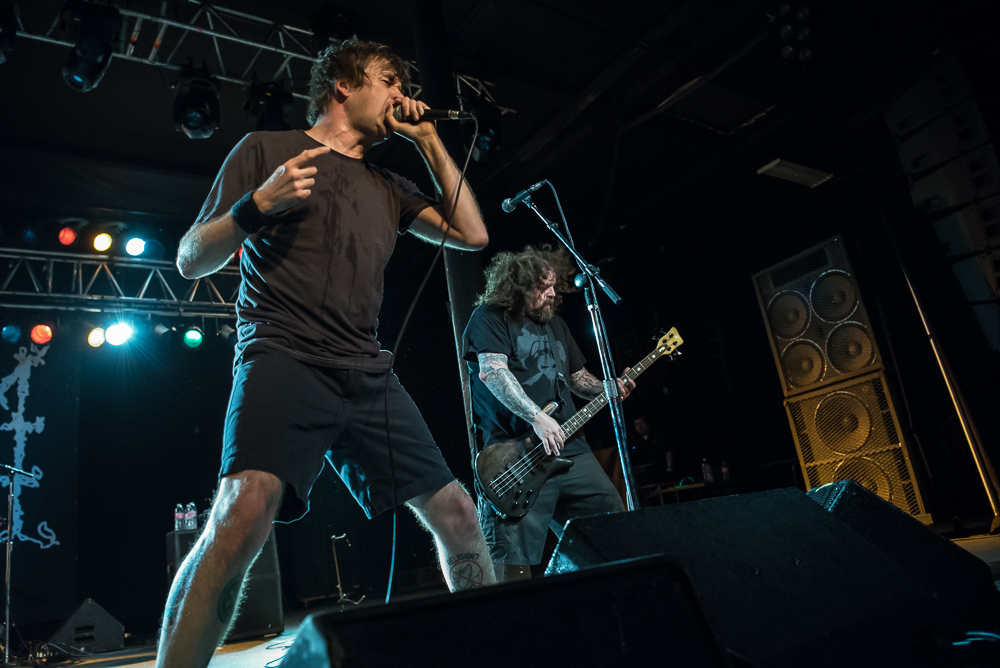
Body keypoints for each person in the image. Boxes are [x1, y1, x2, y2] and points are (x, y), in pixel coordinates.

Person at [158, 37, 494, 668]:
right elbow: (189, 259)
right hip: (281, 355)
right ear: (343, 84)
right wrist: (255, 207)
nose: (400, 94)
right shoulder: (267, 149)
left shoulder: (390, 184)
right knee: (241, 516)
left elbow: (472, 235)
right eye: (389, 80)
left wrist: (429, 141)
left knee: (457, 514)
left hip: (366, 372)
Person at [461, 245, 635, 581]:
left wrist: (608, 388)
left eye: (554, 285)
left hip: (571, 450)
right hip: (516, 457)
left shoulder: (556, 325)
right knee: (513, 564)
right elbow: (493, 372)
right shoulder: (489, 317)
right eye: (543, 287)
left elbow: (577, 379)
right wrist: (537, 418)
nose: (553, 293)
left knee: (613, 529)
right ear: (517, 287)